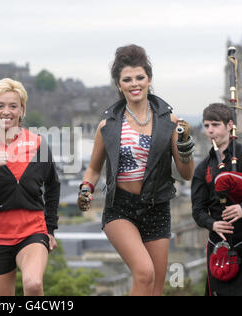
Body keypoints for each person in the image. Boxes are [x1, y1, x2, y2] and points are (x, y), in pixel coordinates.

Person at [78, 44, 195, 296]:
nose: (135, 84)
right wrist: (86, 188)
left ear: (149, 80)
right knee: (144, 272)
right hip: (120, 208)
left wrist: (185, 146)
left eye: (140, 77)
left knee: (154, 288)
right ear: (119, 85)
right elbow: (93, 169)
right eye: (127, 79)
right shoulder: (106, 126)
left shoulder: (170, 122)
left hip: (157, 207)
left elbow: (186, 173)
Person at [0, 78, 60, 296]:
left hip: (32, 231)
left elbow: (53, 186)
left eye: (13, 106)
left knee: (33, 284)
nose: (7, 111)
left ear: (22, 110)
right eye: (0, 105)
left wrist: (50, 228)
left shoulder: (38, 144)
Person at [191, 103, 242, 296]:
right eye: (206, 125)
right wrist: (213, 224)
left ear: (229, 125)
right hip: (219, 247)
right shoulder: (203, 168)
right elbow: (197, 210)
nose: (210, 130)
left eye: (215, 124)